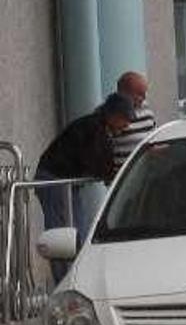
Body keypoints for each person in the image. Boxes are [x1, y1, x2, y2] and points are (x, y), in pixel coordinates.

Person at [34, 93, 133, 281]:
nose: (126, 126)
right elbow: (98, 164)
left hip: (63, 182)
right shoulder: (94, 129)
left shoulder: (97, 127)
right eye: (125, 120)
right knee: (64, 238)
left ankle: (73, 279)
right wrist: (115, 177)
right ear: (114, 115)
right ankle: (66, 282)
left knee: (77, 233)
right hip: (56, 181)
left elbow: (100, 165)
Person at [112, 72, 156, 174]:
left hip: (148, 173)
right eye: (139, 94)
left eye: (145, 93)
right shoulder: (111, 114)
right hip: (125, 177)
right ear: (124, 93)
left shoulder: (146, 109)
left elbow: (152, 134)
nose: (144, 97)